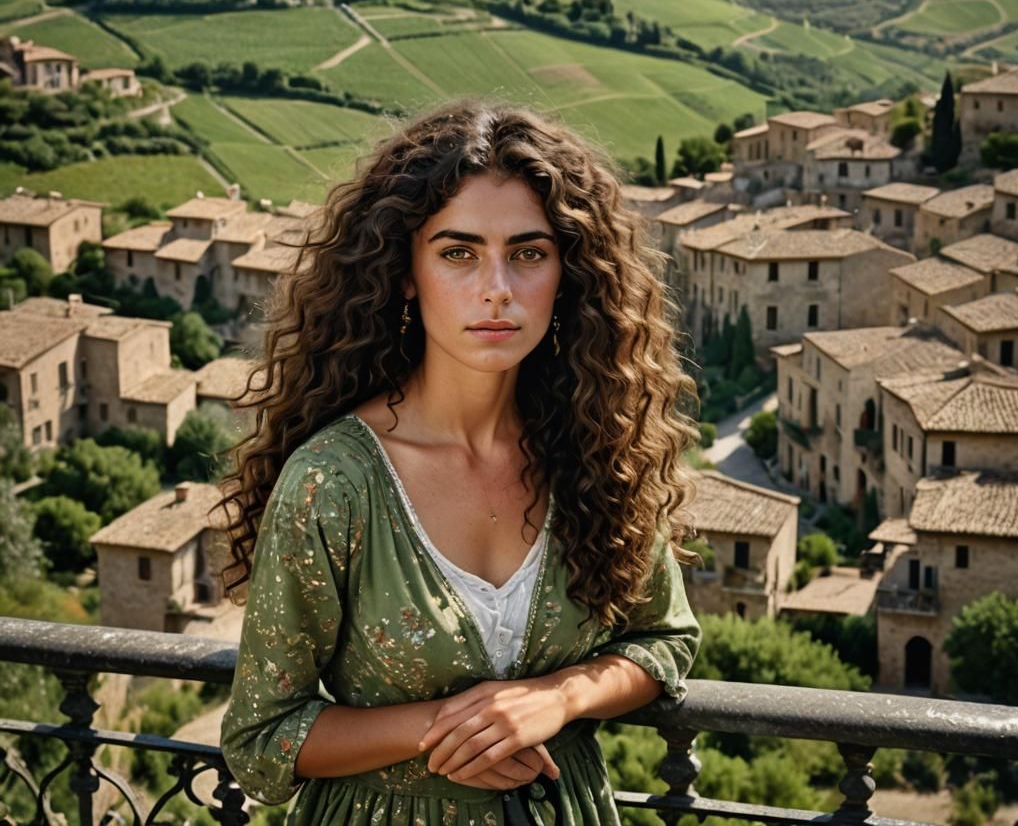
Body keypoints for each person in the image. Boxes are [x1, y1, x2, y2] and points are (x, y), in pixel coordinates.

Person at [215, 98, 703, 825]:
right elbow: (260, 737)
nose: (498, 289)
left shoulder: (598, 453)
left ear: (568, 274)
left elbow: (665, 640)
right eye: (458, 252)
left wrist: (558, 697)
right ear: (404, 272)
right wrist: (453, 726)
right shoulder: (334, 482)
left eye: (529, 253)